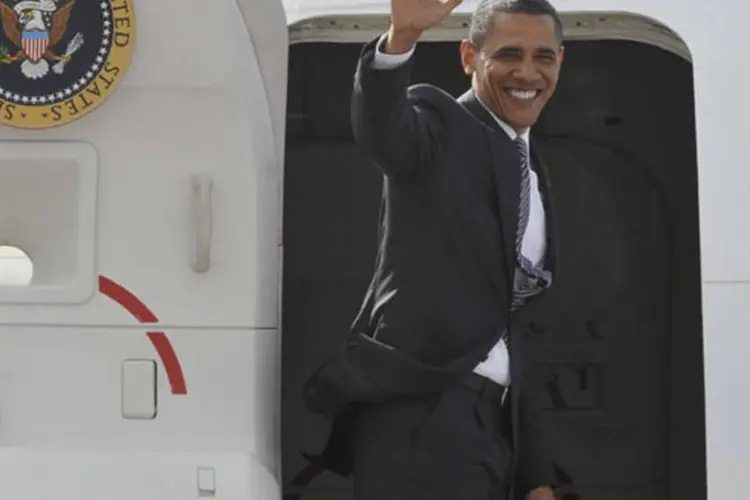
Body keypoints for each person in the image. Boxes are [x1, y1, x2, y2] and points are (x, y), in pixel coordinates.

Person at [302, 0, 564, 499]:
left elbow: (517, 329)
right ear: (469, 57)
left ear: (560, 64)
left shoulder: (533, 170)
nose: (526, 72)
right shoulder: (440, 125)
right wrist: (400, 39)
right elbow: (384, 131)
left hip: (492, 428)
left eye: (543, 57)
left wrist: (535, 475)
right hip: (425, 418)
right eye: (509, 54)